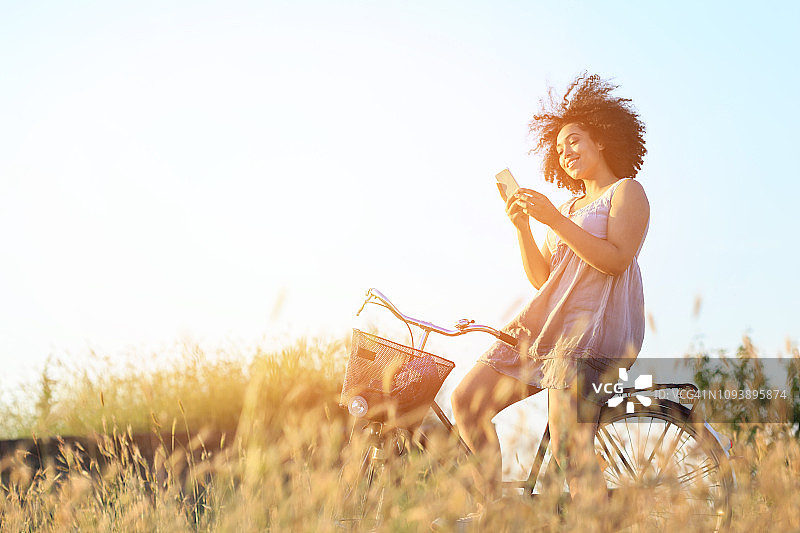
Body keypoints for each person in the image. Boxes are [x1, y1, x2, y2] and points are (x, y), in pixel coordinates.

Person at [450, 73, 650, 522]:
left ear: (600, 140)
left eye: (574, 141)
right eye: (559, 150)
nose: (566, 154)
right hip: (547, 329)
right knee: (467, 400)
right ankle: (494, 512)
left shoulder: (626, 192)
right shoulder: (569, 209)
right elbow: (544, 278)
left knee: (567, 447)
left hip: (591, 335)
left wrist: (556, 222)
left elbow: (616, 260)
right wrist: (524, 227)